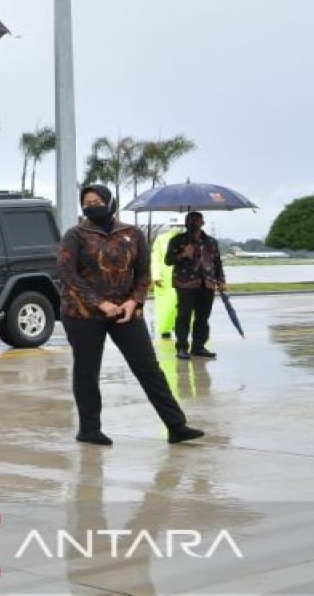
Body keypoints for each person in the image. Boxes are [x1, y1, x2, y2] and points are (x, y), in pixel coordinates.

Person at [58, 185, 206, 446]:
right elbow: (68, 275)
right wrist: (99, 303)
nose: (92, 206)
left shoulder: (132, 233)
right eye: (87, 203)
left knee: (148, 367)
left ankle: (176, 425)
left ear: (110, 202)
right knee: (87, 370)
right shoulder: (76, 235)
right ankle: (90, 429)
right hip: (82, 314)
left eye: (97, 201)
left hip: (126, 311)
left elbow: (143, 273)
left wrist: (133, 301)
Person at [166, 211, 226, 359]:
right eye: (190, 221)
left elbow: (217, 262)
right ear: (185, 223)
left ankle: (199, 346)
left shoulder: (211, 241)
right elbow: (168, 260)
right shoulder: (177, 240)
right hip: (185, 284)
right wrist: (183, 254)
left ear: (203, 223)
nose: (193, 223)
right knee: (184, 316)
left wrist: (221, 280)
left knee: (203, 317)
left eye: (197, 221)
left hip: (207, 283)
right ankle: (182, 347)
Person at [150, 217, 183, 339]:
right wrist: (156, 276)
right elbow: (156, 258)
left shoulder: (189, 239)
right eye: (176, 226)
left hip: (184, 278)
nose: (178, 228)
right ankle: (165, 328)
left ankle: (180, 328)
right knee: (166, 305)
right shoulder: (161, 239)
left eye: (180, 226)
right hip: (165, 279)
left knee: (183, 305)